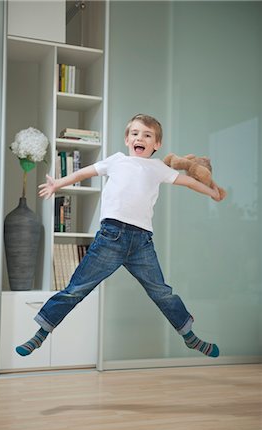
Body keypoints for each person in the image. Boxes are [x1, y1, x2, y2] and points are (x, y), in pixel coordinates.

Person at [16, 113, 223, 358]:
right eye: (135, 133)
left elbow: (189, 182)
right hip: (110, 238)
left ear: (156, 144)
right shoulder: (116, 161)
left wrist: (213, 192)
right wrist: (57, 184)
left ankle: (189, 336)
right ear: (127, 139)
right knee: (76, 289)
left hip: (141, 243)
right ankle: (40, 334)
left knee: (162, 292)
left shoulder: (158, 168)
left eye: (147, 135)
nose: (140, 138)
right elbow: (84, 174)